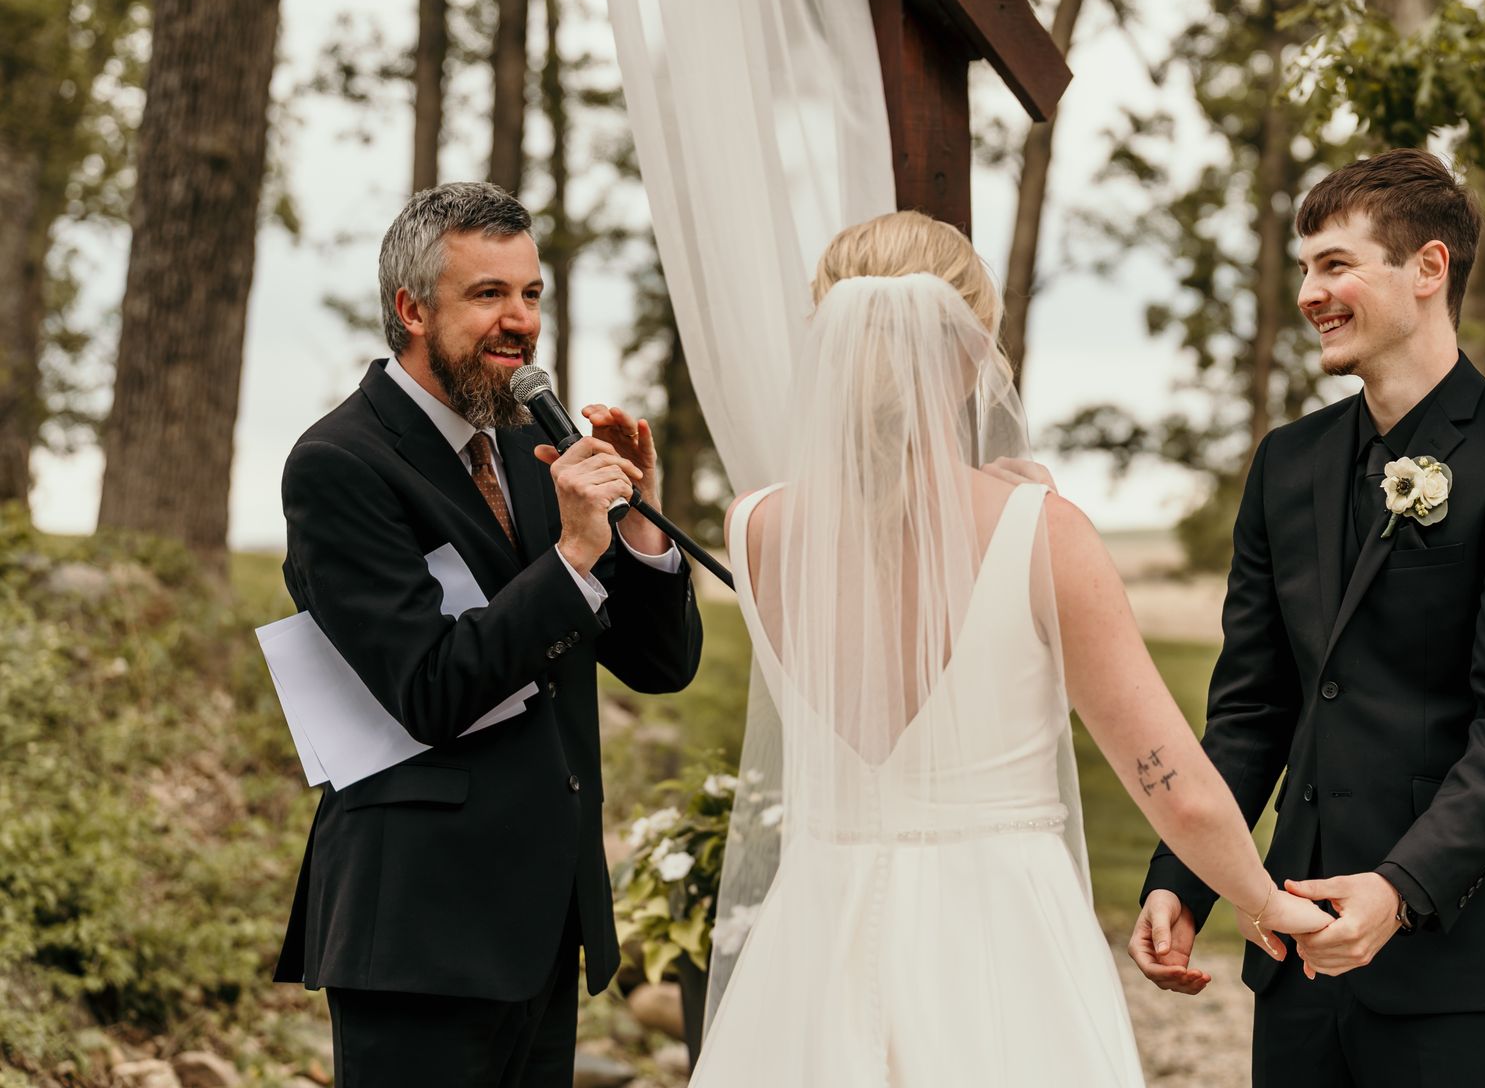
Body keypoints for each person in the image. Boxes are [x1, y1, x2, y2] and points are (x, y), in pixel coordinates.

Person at [688, 211, 1332, 1085]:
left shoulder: (758, 526)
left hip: (815, 932)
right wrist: (1268, 907)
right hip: (996, 938)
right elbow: (1172, 784)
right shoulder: (1043, 533)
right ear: (968, 355)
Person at [1131, 148, 1485, 1086]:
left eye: (1336, 264)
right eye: (1306, 267)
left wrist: (1397, 892)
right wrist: (1181, 878)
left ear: (1428, 269)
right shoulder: (1287, 464)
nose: (1310, 292)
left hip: (1470, 963)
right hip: (1298, 954)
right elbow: (1252, 708)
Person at [272, 182, 703, 1088]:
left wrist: (640, 530)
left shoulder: (528, 450)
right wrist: (575, 554)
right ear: (411, 309)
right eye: (489, 295)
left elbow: (661, 666)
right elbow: (430, 688)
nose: (520, 321)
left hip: (541, 925)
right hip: (420, 932)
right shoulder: (339, 464)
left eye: (532, 294)